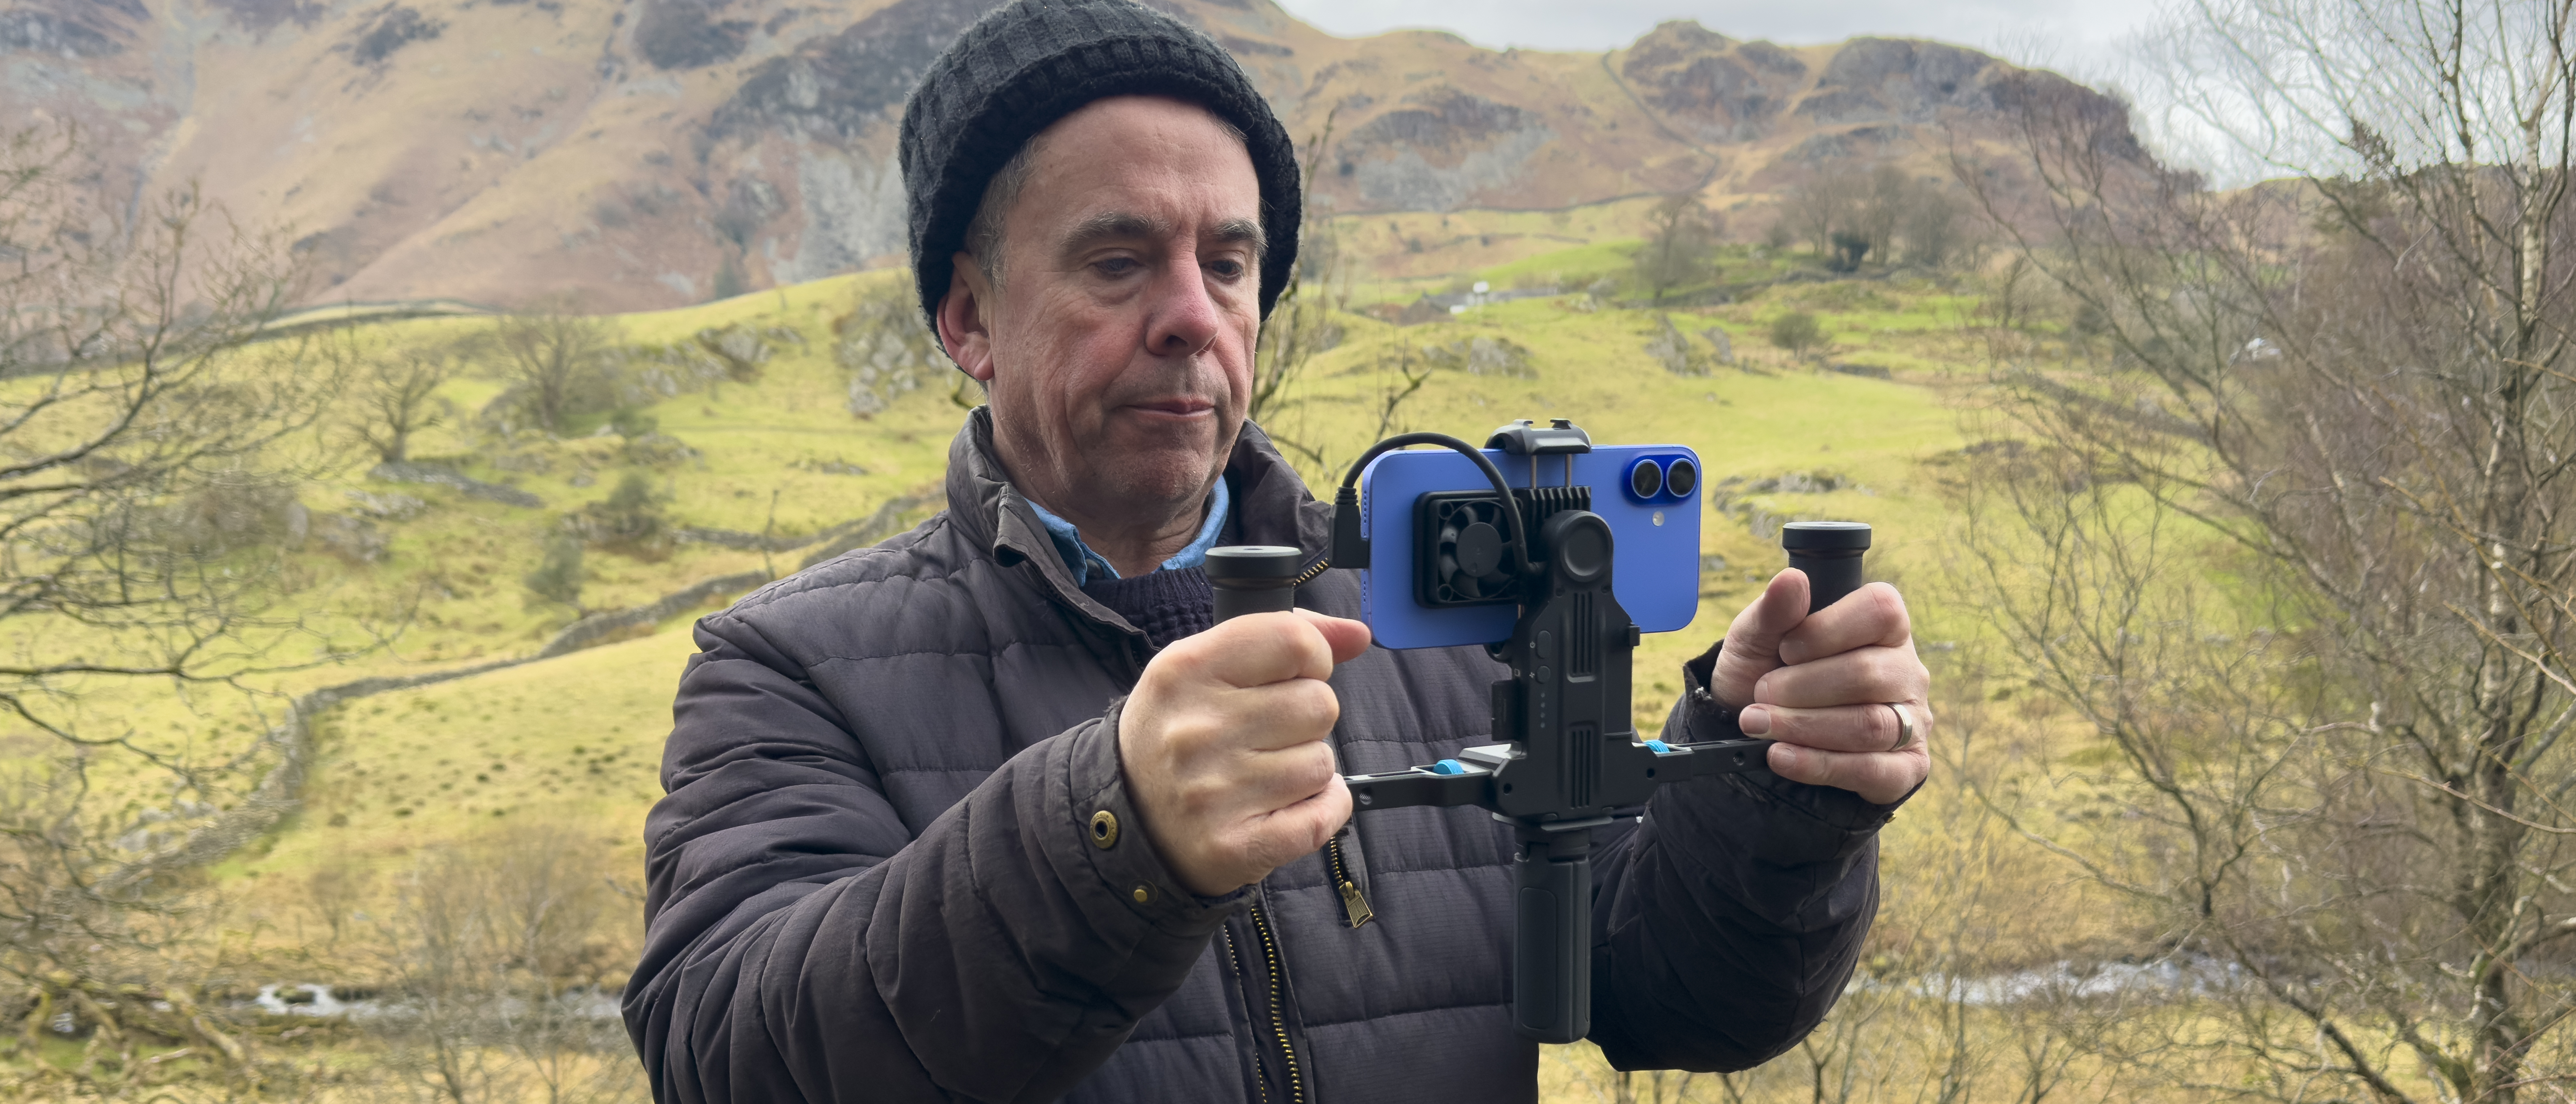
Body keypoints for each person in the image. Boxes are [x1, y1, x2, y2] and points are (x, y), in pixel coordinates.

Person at [621, 2, 1932, 1101]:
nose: (1193, 317)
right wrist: (1114, 831)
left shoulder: (1425, 608)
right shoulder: (787, 669)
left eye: (1230, 263)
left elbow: (1666, 1003)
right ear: (971, 317)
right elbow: (728, 1051)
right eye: (1119, 261)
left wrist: (1768, 781)